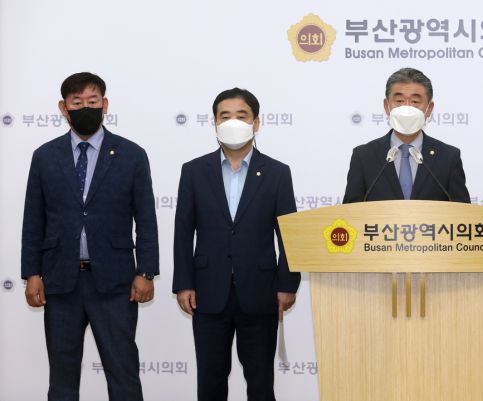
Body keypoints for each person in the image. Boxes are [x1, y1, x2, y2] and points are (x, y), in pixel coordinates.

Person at [21, 72, 159, 401]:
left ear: (105, 105)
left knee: (123, 375)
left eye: (92, 101)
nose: (86, 107)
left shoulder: (131, 154)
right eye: (77, 102)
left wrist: (146, 272)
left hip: (115, 284)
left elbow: (146, 219)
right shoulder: (44, 156)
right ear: (63, 108)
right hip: (61, 283)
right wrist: (32, 273)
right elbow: (33, 220)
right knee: (62, 379)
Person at [173, 88, 299, 401]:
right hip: (207, 292)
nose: (232, 122)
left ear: (256, 123)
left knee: (260, 383)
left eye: (241, 116)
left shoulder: (277, 173)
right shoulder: (193, 171)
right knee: (210, 382)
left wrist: (287, 284)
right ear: (214, 123)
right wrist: (184, 283)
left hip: (261, 292)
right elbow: (183, 231)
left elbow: (289, 234)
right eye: (224, 116)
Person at [343, 67, 470, 203]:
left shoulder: (448, 157)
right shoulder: (363, 156)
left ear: (429, 109)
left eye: (415, 102)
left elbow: (462, 211)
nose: (407, 108)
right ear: (386, 106)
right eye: (399, 101)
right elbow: (351, 210)